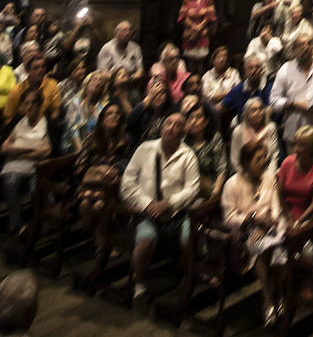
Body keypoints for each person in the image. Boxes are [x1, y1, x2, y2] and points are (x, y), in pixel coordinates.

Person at [120, 112, 200, 308]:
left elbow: (193, 188)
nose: (171, 128)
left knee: (189, 238)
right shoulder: (145, 149)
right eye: (168, 123)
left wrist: (170, 203)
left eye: (177, 125)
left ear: (183, 132)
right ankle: (139, 284)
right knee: (146, 240)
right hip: (147, 211)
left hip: (177, 212)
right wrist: (148, 204)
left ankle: (188, 278)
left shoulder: (187, 154)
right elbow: (127, 184)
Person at [222, 140, 286, 327]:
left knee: (279, 247)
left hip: (270, 226)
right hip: (245, 231)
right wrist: (252, 218)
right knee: (259, 249)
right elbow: (229, 217)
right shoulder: (232, 184)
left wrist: (268, 222)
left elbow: (275, 206)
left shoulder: (268, 178)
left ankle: (280, 294)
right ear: (246, 162)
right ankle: (267, 301)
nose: (264, 161)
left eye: (265, 157)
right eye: (258, 159)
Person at [74, 101, 130, 245]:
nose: (114, 116)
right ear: (103, 118)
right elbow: (81, 165)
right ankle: (100, 239)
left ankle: (102, 243)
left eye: (117, 114)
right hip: (92, 184)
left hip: (113, 185)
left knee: (99, 205)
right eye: (110, 114)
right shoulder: (93, 138)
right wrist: (98, 168)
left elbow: (129, 163)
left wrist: (115, 169)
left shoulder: (125, 139)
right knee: (85, 204)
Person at [271, 31, 313, 148]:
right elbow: (274, 101)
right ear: (294, 48)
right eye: (301, 44)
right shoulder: (285, 69)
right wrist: (293, 104)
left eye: (309, 44)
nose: (306, 47)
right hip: (295, 135)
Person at [0, 87, 50, 232]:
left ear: (39, 104)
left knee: (37, 188)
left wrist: (19, 152)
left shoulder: (45, 123)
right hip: (15, 165)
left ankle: (40, 223)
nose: (29, 106)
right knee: (10, 182)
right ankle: (17, 225)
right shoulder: (18, 123)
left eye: (33, 103)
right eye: (26, 103)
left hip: (37, 166)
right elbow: (4, 148)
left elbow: (46, 152)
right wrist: (30, 148)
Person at [278, 125, 313, 232]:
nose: (296, 149)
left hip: (306, 216)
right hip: (285, 211)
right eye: (295, 144)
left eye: (301, 145)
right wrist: (288, 216)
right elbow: (280, 192)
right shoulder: (287, 162)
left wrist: (299, 221)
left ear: (311, 148)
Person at [185, 103, 227, 203]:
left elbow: (222, 167)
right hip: (188, 190)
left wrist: (216, 191)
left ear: (206, 121)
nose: (194, 121)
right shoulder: (184, 141)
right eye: (191, 118)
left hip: (210, 188)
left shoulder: (214, 138)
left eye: (198, 117)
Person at [4, 52, 60, 125]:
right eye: (36, 68)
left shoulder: (52, 84)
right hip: (22, 127)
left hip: (44, 125)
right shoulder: (16, 91)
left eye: (43, 67)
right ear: (28, 71)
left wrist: (49, 128)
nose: (41, 70)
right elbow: (9, 118)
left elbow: (55, 111)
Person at [178, 0, 217, 69]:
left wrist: (200, 26)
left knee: (201, 62)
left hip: (202, 32)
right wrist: (193, 26)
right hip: (190, 33)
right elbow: (183, 16)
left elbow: (210, 15)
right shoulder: (187, 0)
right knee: (191, 62)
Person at [230, 97, 280, 171]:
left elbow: (274, 155)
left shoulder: (271, 127)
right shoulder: (238, 131)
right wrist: (246, 176)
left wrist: (270, 173)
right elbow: (234, 159)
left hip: (267, 170)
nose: (258, 112)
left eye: (260, 109)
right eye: (253, 110)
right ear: (247, 114)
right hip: (244, 172)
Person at [222, 54, 272, 124]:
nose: (254, 71)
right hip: (243, 129)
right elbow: (221, 107)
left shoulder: (270, 88)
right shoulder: (238, 90)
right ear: (245, 72)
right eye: (250, 68)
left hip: (265, 127)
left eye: (257, 67)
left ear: (261, 70)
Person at [126, 76, 170, 148]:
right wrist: (150, 97)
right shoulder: (142, 111)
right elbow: (129, 122)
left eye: (162, 92)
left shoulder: (169, 114)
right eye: (155, 93)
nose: (158, 96)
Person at [200, 45, 240, 110]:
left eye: (224, 56)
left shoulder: (234, 73)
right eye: (219, 56)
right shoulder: (207, 76)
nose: (221, 59)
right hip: (211, 108)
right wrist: (227, 93)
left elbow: (238, 91)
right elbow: (206, 96)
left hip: (231, 106)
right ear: (213, 60)